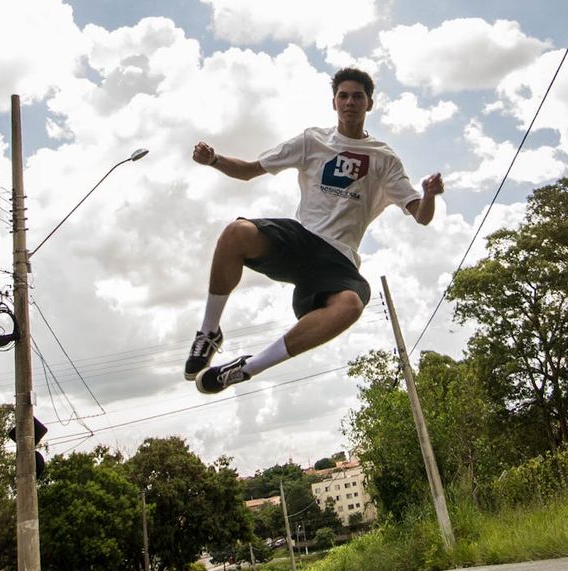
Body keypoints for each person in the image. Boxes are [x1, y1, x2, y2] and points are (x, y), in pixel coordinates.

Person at [186, 67, 444, 394]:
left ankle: (247, 368)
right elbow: (249, 171)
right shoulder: (312, 141)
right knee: (236, 233)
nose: (350, 102)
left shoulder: (384, 159)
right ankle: (209, 331)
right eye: (344, 96)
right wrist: (214, 160)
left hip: (339, 260)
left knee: (350, 305)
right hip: (301, 241)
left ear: (370, 104)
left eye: (358, 97)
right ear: (334, 103)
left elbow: (420, 215)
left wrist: (430, 196)